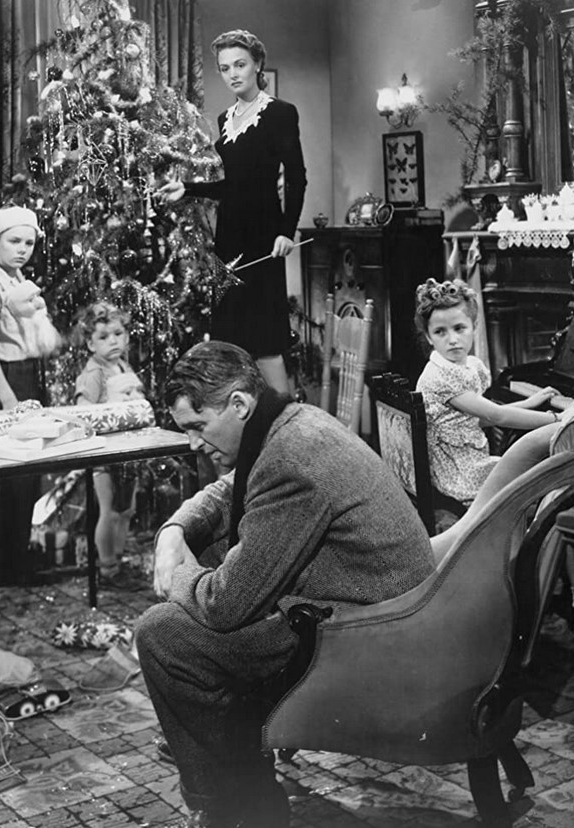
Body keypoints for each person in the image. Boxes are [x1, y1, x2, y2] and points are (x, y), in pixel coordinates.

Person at [135, 340, 435, 828]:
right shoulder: (290, 423)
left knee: (164, 636)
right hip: (366, 605)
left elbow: (224, 605)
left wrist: (177, 575)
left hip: (369, 635)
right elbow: (228, 490)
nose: (192, 443)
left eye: (197, 426)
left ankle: (232, 807)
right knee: (203, 561)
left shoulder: (291, 459)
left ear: (238, 404)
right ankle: (234, 762)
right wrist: (174, 531)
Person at [158, 29, 307, 395]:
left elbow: (297, 178)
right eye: (225, 68)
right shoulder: (226, 118)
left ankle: (285, 418)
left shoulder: (280, 113)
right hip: (229, 240)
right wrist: (188, 189)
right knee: (232, 338)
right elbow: (232, 186)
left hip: (264, 238)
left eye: (240, 65)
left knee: (266, 340)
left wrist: (286, 231)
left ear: (258, 64)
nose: (233, 74)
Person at [414, 277, 562, 504]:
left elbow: (477, 419)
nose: (452, 339)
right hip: (459, 475)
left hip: (466, 465)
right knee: (542, 470)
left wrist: (527, 403)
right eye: (440, 332)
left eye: (459, 328)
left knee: (539, 469)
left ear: (474, 327)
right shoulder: (441, 376)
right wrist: (559, 419)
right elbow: (495, 416)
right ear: (428, 337)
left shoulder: (465, 367)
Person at [0, 205, 50, 584]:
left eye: (28, 243)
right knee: (7, 476)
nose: (22, 249)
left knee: (26, 477)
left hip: (26, 376)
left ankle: (16, 561)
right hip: (5, 381)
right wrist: (7, 399)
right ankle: (1, 568)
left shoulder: (18, 281)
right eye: (14, 241)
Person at [73, 301, 146, 586]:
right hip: (106, 452)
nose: (113, 341)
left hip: (129, 447)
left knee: (126, 509)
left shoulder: (122, 366)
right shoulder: (94, 373)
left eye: (118, 334)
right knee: (109, 510)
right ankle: (107, 567)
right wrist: (107, 408)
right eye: (103, 337)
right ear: (91, 344)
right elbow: (82, 409)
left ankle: (117, 558)